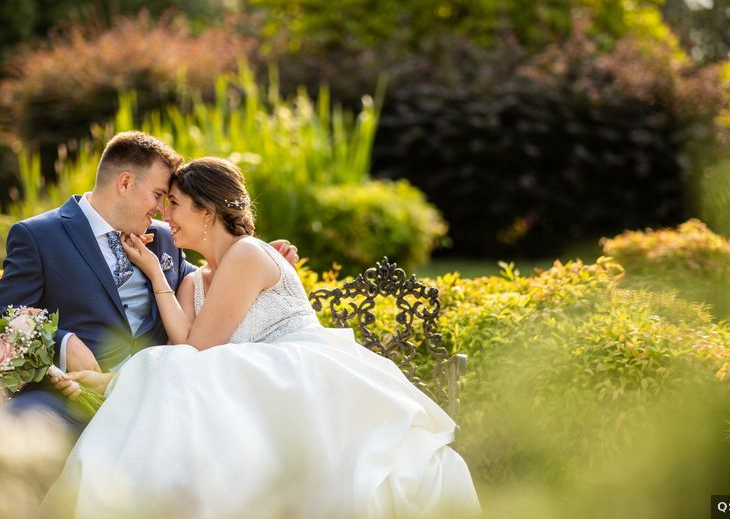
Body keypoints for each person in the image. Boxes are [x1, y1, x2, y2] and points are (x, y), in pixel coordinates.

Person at [44, 157, 480, 518]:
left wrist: (160, 278)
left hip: (303, 372)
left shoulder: (249, 254)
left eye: (174, 204)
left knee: (177, 370)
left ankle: (113, 395)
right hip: (253, 384)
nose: (165, 215)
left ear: (207, 211)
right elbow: (186, 346)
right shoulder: (193, 284)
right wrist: (158, 273)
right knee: (177, 373)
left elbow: (199, 348)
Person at [0, 132, 298, 430]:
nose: (162, 211)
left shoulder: (165, 237)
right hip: (73, 394)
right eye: (159, 195)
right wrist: (63, 342)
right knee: (17, 423)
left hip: (158, 396)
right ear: (125, 183)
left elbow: (206, 285)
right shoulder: (39, 236)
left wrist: (260, 263)